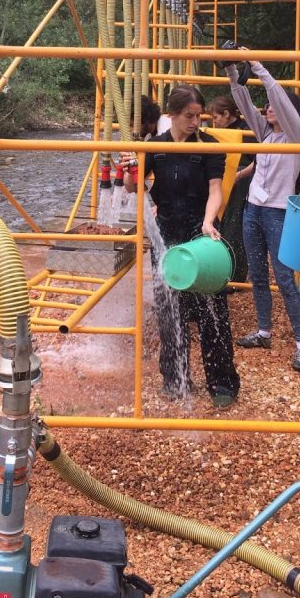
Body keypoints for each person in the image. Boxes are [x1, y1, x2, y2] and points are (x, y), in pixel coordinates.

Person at [123, 86, 240, 408]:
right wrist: (130, 167)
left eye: (198, 116)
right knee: (168, 307)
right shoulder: (155, 146)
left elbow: (215, 190)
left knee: (211, 308)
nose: (195, 122)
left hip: (199, 231)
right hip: (166, 233)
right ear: (172, 114)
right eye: (189, 116)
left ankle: (222, 383)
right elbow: (133, 187)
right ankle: (175, 378)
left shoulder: (209, 146)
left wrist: (209, 222)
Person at [225, 57, 300, 372]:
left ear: (289, 111)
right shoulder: (265, 134)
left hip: (277, 213)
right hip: (253, 209)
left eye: (276, 105)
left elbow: (278, 97)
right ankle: (264, 332)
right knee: (258, 276)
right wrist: (231, 70)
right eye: (268, 105)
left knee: (284, 278)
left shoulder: (297, 136)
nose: (268, 108)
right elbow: (244, 103)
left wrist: (258, 66)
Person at [207, 95, 254, 285]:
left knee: (234, 226)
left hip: (240, 183)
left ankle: (236, 276)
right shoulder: (220, 132)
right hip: (223, 182)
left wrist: (239, 175)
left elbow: (258, 160)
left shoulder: (246, 132)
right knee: (221, 224)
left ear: (226, 114)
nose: (214, 121)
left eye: (216, 117)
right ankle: (221, 269)